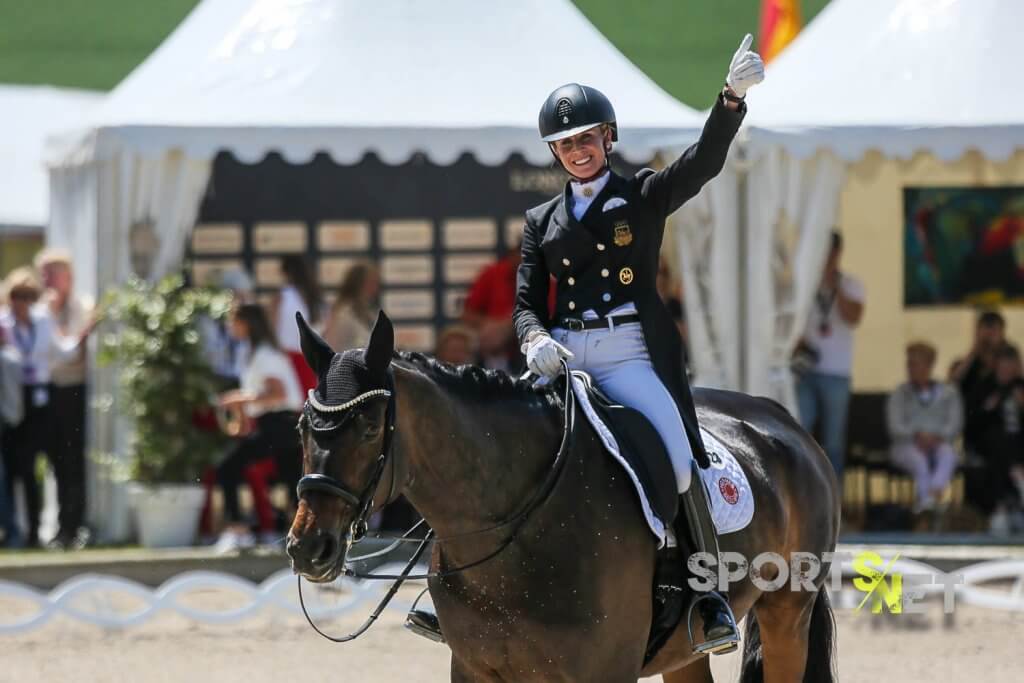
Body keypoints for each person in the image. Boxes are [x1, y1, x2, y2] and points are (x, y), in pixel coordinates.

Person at [511, 36, 763, 655]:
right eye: (566, 143)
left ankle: (706, 598)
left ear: (609, 138)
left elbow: (702, 163)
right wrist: (534, 338)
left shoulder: (643, 197)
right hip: (564, 356)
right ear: (554, 151)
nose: (577, 150)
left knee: (679, 461)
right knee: (496, 440)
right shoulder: (541, 222)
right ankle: (461, 589)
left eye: (587, 138)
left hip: (627, 356)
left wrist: (729, 101)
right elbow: (523, 304)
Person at [0, 268, 89, 547]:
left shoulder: (43, 320)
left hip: (42, 397)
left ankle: (44, 530)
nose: (21, 303)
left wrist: (85, 333)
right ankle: (19, 529)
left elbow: (64, 351)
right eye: (17, 296)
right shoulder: (4, 324)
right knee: (20, 468)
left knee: (52, 463)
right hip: (15, 397)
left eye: (28, 296)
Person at [214, 304, 303, 551]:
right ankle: (299, 535)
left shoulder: (265, 354)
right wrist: (241, 413)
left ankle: (238, 530)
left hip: (280, 423)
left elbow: (277, 393)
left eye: (234, 321)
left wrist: (238, 399)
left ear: (247, 324)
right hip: (276, 423)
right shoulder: (253, 353)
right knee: (291, 480)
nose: (230, 327)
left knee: (228, 468)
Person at [35, 248, 94, 549]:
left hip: (72, 391)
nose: (46, 280)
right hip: (47, 392)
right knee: (55, 461)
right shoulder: (41, 309)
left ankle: (74, 524)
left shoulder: (81, 306)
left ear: (67, 276)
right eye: (43, 273)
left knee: (73, 460)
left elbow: (74, 355)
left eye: (52, 273)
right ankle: (60, 525)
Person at [795, 230, 865, 482]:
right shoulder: (803, 282)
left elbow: (853, 317)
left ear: (837, 253)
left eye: (829, 251)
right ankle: (805, 491)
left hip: (837, 373)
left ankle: (835, 498)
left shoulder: (851, 284)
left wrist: (835, 285)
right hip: (805, 371)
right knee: (800, 433)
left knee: (834, 441)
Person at [886, 342, 963, 513]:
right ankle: (929, 506)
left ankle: (930, 498)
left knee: (949, 455)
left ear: (929, 365)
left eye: (915, 363)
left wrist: (936, 437)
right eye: (909, 363)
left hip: (939, 443)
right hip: (906, 445)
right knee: (918, 460)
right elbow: (895, 426)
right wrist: (917, 436)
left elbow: (954, 425)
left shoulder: (949, 393)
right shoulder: (900, 393)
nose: (910, 368)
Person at [972, 344, 1024, 533]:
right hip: (989, 443)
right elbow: (974, 423)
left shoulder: (1020, 387)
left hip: (1018, 443)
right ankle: (1010, 493)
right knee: (998, 441)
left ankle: (1007, 503)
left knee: (1009, 444)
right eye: (1003, 367)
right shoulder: (985, 386)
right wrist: (990, 407)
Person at [274, 255, 323, 393]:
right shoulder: (316, 298)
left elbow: (272, 330)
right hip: (312, 359)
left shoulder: (282, 297)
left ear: (285, 273)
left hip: (288, 359)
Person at [322, 261, 379, 352]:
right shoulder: (343, 313)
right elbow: (331, 348)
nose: (375, 288)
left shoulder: (367, 311)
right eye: (371, 282)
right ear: (358, 283)